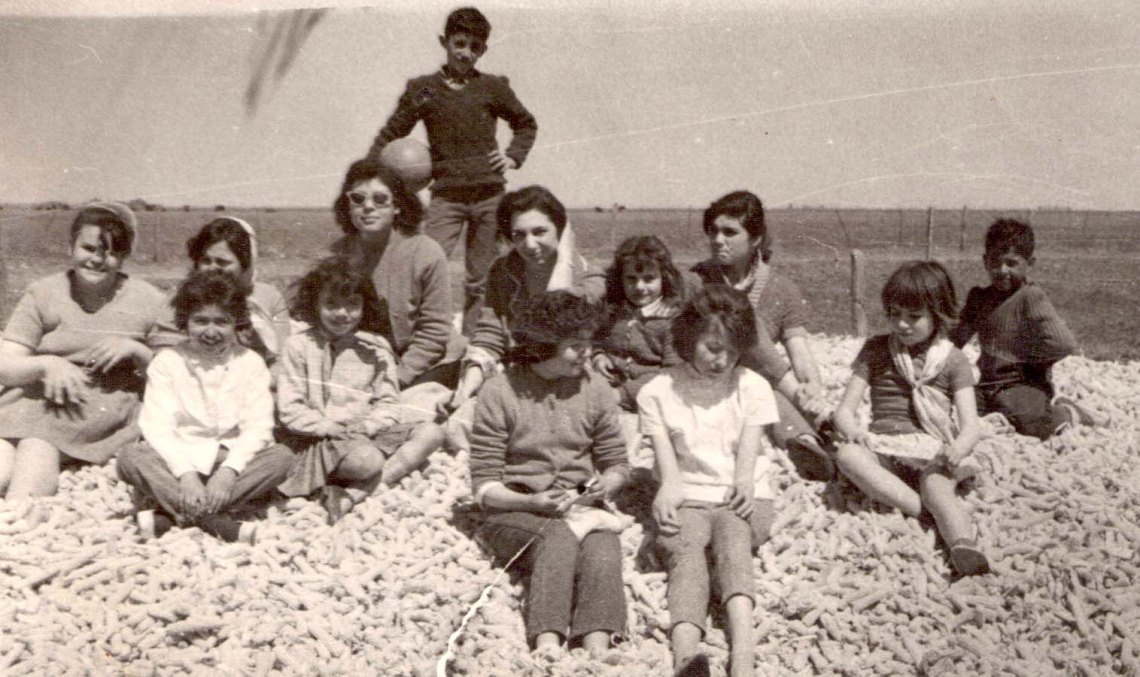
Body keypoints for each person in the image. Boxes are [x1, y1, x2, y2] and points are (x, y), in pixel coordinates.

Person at [469, 291, 629, 655]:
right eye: (575, 346)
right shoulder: (500, 391)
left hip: (578, 505)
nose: (587, 353)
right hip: (514, 509)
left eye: (588, 343)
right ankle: (547, 644)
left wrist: (606, 484)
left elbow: (617, 463)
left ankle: (598, 649)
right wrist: (532, 502)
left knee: (603, 546)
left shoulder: (596, 388)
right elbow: (484, 485)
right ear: (543, 347)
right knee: (556, 536)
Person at [366, 6, 538, 337]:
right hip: (446, 197)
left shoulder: (493, 87)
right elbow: (392, 132)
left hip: (489, 195)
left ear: (483, 50)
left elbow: (525, 123)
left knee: (481, 277)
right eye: (459, 43)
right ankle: (419, 336)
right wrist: (369, 172)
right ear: (444, 42)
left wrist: (513, 157)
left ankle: (477, 342)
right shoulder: (424, 89)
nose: (465, 53)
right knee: (426, 264)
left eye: (475, 47)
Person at [639, 286, 779, 677]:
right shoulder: (657, 392)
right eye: (713, 348)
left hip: (742, 492)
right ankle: (687, 657)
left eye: (733, 351)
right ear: (688, 340)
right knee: (685, 552)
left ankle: (743, 652)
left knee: (732, 539)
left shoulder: (752, 386)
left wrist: (743, 484)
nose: (723, 361)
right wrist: (667, 493)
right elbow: (669, 472)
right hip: (689, 494)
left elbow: (746, 465)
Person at [833, 261, 989, 577]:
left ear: (938, 314)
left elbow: (971, 425)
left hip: (930, 450)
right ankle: (925, 513)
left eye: (914, 316)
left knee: (936, 485)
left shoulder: (952, 360)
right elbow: (844, 410)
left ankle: (962, 542)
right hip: (884, 447)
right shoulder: (876, 350)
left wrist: (957, 450)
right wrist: (853, 431)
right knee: (848, 454)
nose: (902, 324)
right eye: (894, 314)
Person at [0, 202, 166, 499]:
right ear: (71, 247)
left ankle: (16, 515)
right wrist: (46, 364)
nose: (97, 260)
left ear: (124, 256)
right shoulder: (44, 292)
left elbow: (172, 373)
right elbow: (5, 363)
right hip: (36, 398)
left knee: (36, 446)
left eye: (110, 252)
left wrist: (136, 350)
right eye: (88, 248)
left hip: (98, 403)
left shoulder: (148, 299)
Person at [117, 271, 293, 543]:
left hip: (231, 458)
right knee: (131, 457)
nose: (211, 332)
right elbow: (158, 428)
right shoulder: (167, 362)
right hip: (179, 459)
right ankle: (215, 522)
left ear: (236, 323)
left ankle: (176, 515)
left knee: (281, 457)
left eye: (222, 322)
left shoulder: (250, 363)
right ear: (185, 323)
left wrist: (228, 472)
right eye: (200, 321)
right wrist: (186, 476)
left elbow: (257, 428)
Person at [276, 258, 445, 524]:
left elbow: (389, 402)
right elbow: (290, 408)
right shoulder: (298, 346)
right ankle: (365, 482)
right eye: (331, 304)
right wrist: (328, 427)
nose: (342, 313)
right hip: (320, 438)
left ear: (365, 306)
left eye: (353, 304)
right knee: (367, 461)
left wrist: (368, 425)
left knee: (432, 433)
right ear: (315, 304)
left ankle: (353, 494)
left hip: (366, 433)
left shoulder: (375, 348)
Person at [691, 190, 833, 482]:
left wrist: (813, 390)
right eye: (713, 231)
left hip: (757, 383)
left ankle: (805, 443)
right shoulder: (696, 281)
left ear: (755, 238)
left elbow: (799, 349)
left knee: (758, 385)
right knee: (740, 318)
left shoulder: (781, 289)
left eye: (729, 232)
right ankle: (812, 427)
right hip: (709, 376)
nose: (718, 240)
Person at [442, 185, 603, 436]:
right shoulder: (502, 271)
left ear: (561, 231)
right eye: (519, 234)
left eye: (540, 232)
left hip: (570, 376)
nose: (530, 244)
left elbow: (556, 313)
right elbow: (490, 334)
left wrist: (564, 260)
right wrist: (465, 390)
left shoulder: (590, 278)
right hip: (518, 373)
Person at [331, 158, 463, 420]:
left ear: (398, 206)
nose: (368, 206)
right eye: (358, 198)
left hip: (427, 364)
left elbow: (435, 332)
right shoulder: (339, 254)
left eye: (380, 199)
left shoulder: (425, 252)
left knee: (400, 417)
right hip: (369, 363)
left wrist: (396, 378)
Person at [951, 218, 1103, 439]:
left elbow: (1064, 343)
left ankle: (1067, 413)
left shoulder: (1030, 297)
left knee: (1030, 421)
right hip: (987, 382)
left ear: (1030, 263)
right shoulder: (980, 298)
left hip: (1022, 383)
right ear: (985, 261)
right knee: (957, 408)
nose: (1002, 270)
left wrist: (1025, 357)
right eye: (995, 262)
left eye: (1011, 263)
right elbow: (956, 338)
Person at [153, 217, 292, 374]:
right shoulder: (180, 299)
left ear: (244, 264)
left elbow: (283, 362)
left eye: (222, 262)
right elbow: (164, 356)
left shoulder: (268, 297)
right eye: (206, 261)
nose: (212, 268)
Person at [592, 235, 686, 412]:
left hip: (648, 398)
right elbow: (595, 339)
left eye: (649, 278)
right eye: (631, 278)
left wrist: (621, 394)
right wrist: (599, 355)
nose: (640, 287)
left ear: (664, 278)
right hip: (607, 388)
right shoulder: (614, 311)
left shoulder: (672, 320)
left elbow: (672, 373)